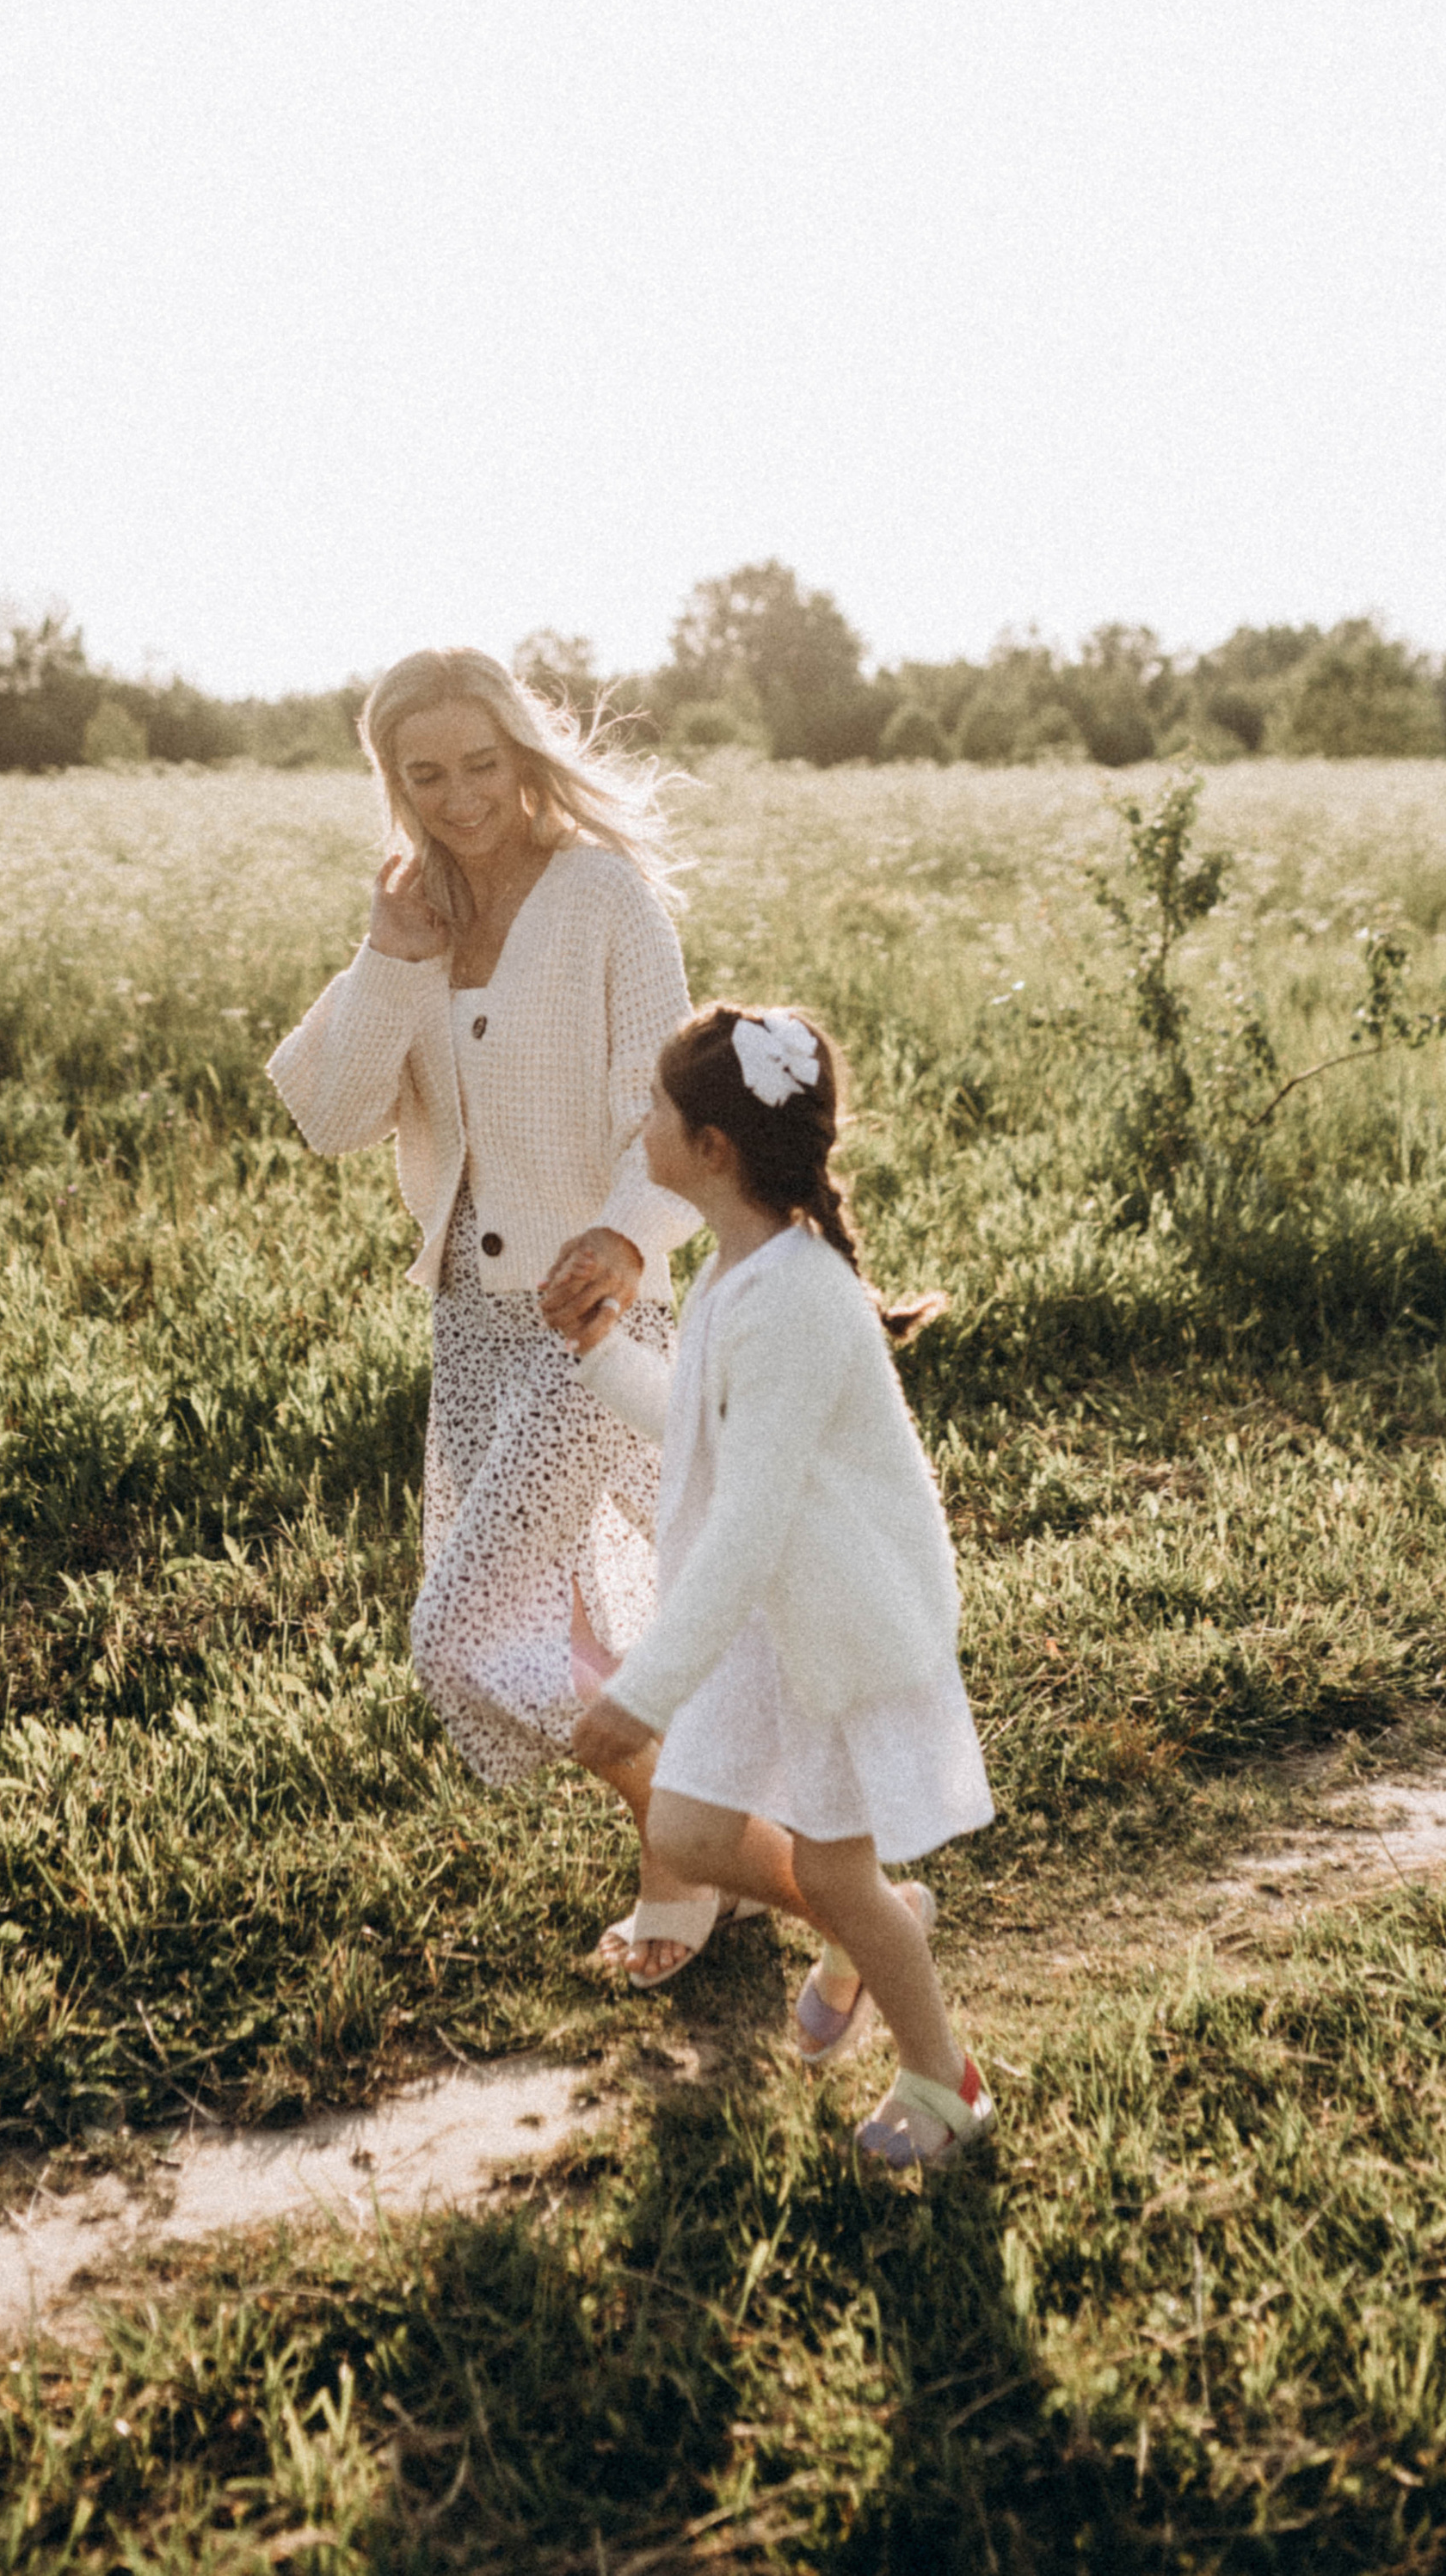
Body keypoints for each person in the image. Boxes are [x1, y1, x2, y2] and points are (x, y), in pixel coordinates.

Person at [268, 647, 738, 1970]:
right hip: (472, 1331)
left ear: (524, 753)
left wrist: (633, 1244)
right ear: (393, 781)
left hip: (594, 1324)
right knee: (581, 1619)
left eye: (482, 763)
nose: (461, 795)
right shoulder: (411, 916)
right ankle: (697, 1861)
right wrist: (389, 961)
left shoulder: (605, 900)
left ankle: (717, 1856)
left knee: (469, 1633)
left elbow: (670, 1115)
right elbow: (330, 1115)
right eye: (428, 773)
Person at [563, 1002, 996, 2171]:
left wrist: (646, 1689)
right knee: (700, 1832)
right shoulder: (740, 1273)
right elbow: (709, 1437)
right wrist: (609, 1357)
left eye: (657, 1108)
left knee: (829, 1867)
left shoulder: (795, 1299)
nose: (638, 1121)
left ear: (712, 1150)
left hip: (836, 1628)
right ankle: (879, 1926)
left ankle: (942, 2079)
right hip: (771, 1624)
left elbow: (748, 1523)